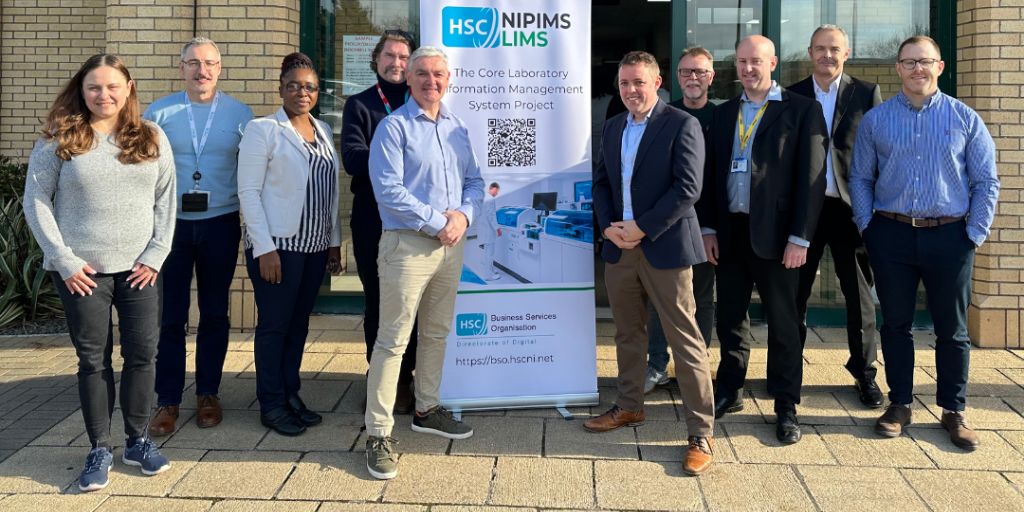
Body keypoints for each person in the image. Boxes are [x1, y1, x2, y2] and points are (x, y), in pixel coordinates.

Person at [23, 53, 176, 492]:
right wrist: (65, 260)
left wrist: (156, 253)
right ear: (82, 90)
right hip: (82, 274)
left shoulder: (152, 137)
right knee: (93, 360)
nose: (103, 94)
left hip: (140, 271)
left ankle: (138, 441)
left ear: (128, 89)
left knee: (143, 355)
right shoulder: (60, 139)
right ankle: (99, 448)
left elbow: (166, 199)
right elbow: (36, 202)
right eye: (94, 87)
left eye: (112, 86)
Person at [850, 35, 1000, 451]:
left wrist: (973, 234)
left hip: (950, 236)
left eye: (925, 61)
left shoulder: (965, 118)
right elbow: (860, 177)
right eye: (910, 62)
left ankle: (953, 410)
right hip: (891, 234)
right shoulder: (877, 120)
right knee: (895, 325)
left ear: (940, 66)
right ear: (898, 68)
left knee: (953, 330)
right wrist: (868, 226)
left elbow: (986, 181)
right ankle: (899, 404)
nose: (918, 69)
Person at [588, 50, 716, 476]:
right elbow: (601, 183)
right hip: (620, 248)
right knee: (628, 333)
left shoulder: (682, 124)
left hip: (664, 246)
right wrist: (609, 227)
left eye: (638, 82)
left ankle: (700, 432)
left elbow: (688, 188)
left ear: (657, 83)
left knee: (685, 339)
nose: (630, 90)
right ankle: (629, 406)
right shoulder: (612, 127)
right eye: (624, 83)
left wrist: (641, 227)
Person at [699, 35, 828, 444]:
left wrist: (800, 238)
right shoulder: (723, 114)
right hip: (731, 233)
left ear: (773, 63)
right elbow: (709, 177)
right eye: (741, 61)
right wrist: (708, 229)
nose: (748, 68)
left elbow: (812, 179)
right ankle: (730, 388)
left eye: (755, 61)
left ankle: (786, 403)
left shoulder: (802, 110)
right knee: (730, 318)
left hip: (778, 236)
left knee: (784, 323)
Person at [363, 46, 484, 480]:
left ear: (448, 80)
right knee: (393, 340)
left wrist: (463, 217)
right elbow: (388, 191)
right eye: (423, 74)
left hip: (451, 246)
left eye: (438, 74)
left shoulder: (457, 127)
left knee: (435, 332)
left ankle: (426, 409)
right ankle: (378, 433)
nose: (431, 81)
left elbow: (475, 182)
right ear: (409, 79)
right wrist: (440, 222)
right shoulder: (393, 128)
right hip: (408, 246)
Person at [144, 37, 254, 436]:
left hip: (221, 223)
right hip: (170, 226)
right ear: (181, 68)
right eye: (193, 63)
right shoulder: (158, 113)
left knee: (214, 313)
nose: (201, 70)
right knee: (170, 316)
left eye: (209, 63)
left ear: (219, 68)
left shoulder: (241, 115)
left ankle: (208, 392)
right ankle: (168, 398)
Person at [237, 52, 343, 437]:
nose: (302, 92)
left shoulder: (323, 130)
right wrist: (264, 248)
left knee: (298, 324)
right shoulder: (263, 130)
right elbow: (248, 193)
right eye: (294, 86)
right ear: (281, 88)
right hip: (278, 248)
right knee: (275, 326)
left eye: (310, 87)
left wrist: (334, 243)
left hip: (314, 248)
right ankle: (271, 402)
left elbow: (330, 192)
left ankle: (289, 392)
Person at [787, 25, 884, 409]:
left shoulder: (866, 93)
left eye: (834, 49)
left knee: (859, 296)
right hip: (805, 212)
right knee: (795, 295)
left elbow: (879, 151)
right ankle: (788, 371)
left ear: (846, 53)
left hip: (850, 209)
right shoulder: (792, 95)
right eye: (820, 48)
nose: (827, 55)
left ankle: (865, 372)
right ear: (810, 52)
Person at [341, 30, 419, 414]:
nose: (397, 63)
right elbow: (353, 160)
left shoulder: (421, 100)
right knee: (378, 300)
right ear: (376, 59)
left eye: (404, 57)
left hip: (416, 217)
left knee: (413, 300)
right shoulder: (360, 105)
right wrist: (398, 153)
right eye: (390, 55)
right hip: (372, 218)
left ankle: (406, 377)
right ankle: (381, 379)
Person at [644, 47, 719, 394]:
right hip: (667, 225)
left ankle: (695, 367)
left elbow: (720, 179)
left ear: (711, 77)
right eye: (687, 71)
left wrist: (711, 228)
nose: (693, 78)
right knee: (662, 299)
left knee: (702, 298)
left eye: (700, 72)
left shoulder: (722, 117)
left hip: (706, 228)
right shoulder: (662, 116)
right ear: (676, 77)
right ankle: (657, 364)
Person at [479, 182, 501, 281]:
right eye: (496, 191)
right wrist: (497, 228)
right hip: (488, 230)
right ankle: (488, 275)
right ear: (492, 188)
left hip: (484, 229)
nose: (497, 193)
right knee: (489, 253)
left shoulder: (483, 197)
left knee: (487, 252)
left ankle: (491, 270)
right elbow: (491, 215)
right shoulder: (490, 199)